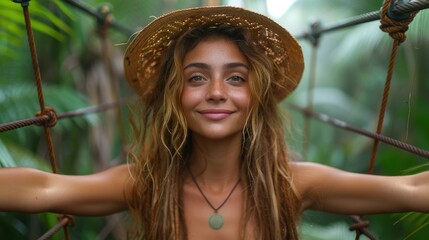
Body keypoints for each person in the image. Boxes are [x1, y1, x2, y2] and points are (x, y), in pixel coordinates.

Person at [0, 6, 428, 240]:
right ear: (175, 95)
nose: (217, 92)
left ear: (256, 95)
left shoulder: (288, 184)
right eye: (197, 77)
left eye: (236, 78)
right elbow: (45, 187)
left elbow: (410, 189)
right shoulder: (149, 183)